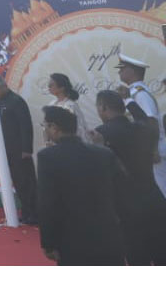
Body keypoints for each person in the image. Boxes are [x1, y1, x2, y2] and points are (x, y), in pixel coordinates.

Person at [35, 104, 128, 265]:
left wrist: (48, 242)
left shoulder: (48, 157)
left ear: (54, 127)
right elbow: (122, 192)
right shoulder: (103, 153)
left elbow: (47, 203)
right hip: (108, 234)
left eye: (45, 126)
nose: (46, 131)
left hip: (72, 239)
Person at [92, 88, 166, 264]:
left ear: (103, 107)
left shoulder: (101, 133)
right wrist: (129, 101)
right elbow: (144, 119)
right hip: (154, 199)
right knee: (161, 255)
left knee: (137, 259)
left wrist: (99, 147)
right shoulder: (143, 128)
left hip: (125, 207)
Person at [115, 53, 166, 196]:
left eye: (122, 68)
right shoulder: (132, 92)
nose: (119, 71)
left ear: (132, 71)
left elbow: (151, 121)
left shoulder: (139, 93)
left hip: (153, 149)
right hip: (146, 148)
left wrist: (153, 150)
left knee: (162, 189)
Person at [0, 75, 38, 223]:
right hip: (7, 150)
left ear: (3, 86)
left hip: (19, 150)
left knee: (27, 182)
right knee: (17, 183)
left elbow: (26, 126)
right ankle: (26, 212)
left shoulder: (16, 101)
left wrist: (26, 149)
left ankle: (35, 214)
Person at [45, 73, 88, 141]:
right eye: (49, 84)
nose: (49, 86)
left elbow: (79, 128)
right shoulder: (51, 104)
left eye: (51, 85)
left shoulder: (71, 105)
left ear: (62, 88)